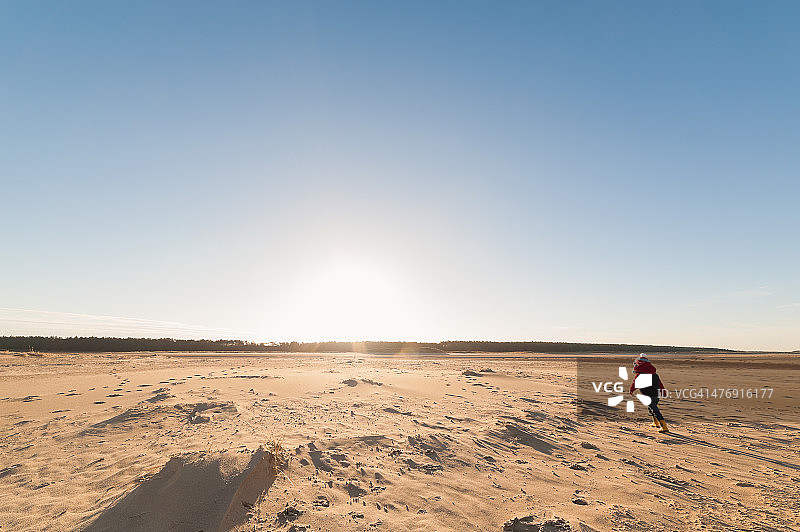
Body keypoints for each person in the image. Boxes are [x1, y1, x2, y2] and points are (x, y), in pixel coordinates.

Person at [629, 354, 669, 433]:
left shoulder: (641, 375)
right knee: (651, 409)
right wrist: (662, 391)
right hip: (656, 394)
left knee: (654, 410)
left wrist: (631, 390)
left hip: (648, 395)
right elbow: (659, 383)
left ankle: (664, 426)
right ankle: (656, 422)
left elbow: (635, 383)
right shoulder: (654, 374)